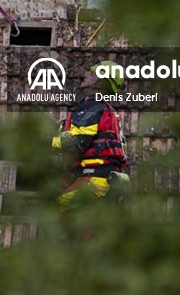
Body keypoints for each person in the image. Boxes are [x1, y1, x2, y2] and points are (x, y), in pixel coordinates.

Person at [52, 60, 130, 211]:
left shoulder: (93, 106)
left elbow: (76, 143)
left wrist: (46, 141)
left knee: (55, 212)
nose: (86, 74)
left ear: (101, 84)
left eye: (92, 73)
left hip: (94, 180)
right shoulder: (106, 110)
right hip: (108, 180)